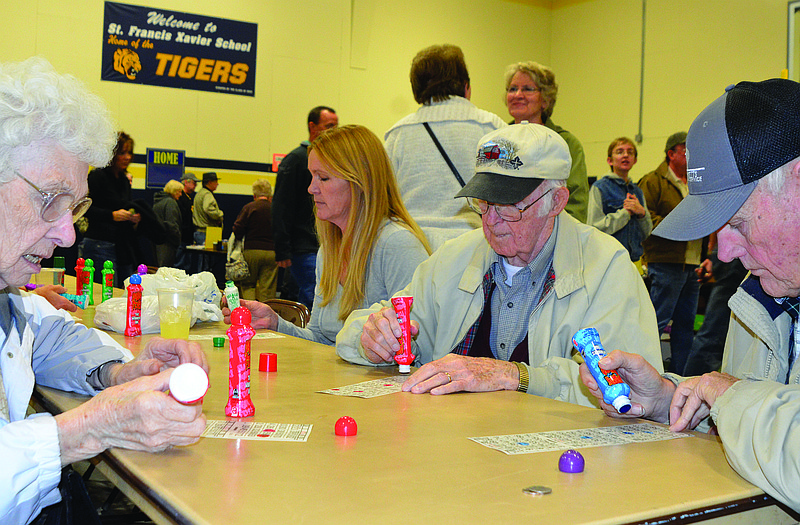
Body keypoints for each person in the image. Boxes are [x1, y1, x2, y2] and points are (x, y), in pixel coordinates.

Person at [0, 57, 208, 525]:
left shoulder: (6, 296)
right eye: (49, 199)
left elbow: (48, 332)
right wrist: (88, 427)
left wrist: (119, 372)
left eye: (73, 207)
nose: (67, 235)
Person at [579, 79, 800, 512]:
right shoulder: (763, 296)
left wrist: (728, 394)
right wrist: (667, 401)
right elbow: (762, 434)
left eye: (736, 223)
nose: (726, 252)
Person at [336, 124, 663, 406]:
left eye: (509, 206)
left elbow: (629, 391)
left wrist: (514, 376)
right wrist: (372, 339)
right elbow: (368, 325)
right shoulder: (455, 258)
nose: (491, 221)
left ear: (556, 202)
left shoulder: (606, 268)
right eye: (484, 203)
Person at [224, 125, 431, 346]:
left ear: (360, 183)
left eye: (323, 178)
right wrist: (275, 323)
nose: (311, 188)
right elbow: (321, 340)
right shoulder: (329, 250)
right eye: (312, 176)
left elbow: (416, 349)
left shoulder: (397, 245)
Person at [384, 44, 506, 250]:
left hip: (410, 246)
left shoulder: (397, 134)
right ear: (466, 86)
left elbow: (383, 199)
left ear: (416, 89)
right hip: (474, 247)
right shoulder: (492, 128)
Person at [638, 132, 710, 374]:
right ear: (671, 154)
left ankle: (680, 378)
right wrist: (681, 223)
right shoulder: (653, 181)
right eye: (685, 150)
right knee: (657, 322)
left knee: (685, 327)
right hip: (666, 262)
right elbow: (645, 220)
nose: (691, 155)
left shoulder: (695, 183)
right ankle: (642, 374)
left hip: (691, 264)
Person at [505, 61, 588, 223]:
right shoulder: (496, 140)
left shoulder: (567, 144)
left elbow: (576, 205)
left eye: (527, 89)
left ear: (546, 99)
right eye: (513, 89)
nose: (517, 95)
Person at [272, 106, 338, 309]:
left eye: (337, 125)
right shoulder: (296, 160)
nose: (335, 130)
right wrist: (282, 249)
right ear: (313, 126)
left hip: (325, 244)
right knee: (313, 299)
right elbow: (281, 205)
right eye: (329, 126)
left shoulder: (334, 159)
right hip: (304, 247)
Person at [78, 131, 142, 286]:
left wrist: (132, 218)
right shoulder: (97, 176)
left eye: (129, 153)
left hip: (121, 244)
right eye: (122, 153)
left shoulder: (124, 180)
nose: (127, 157)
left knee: (124, 291)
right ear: (112, 155)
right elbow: (85, 208)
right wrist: (111, 215)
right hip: (99, 243)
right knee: (105, 292)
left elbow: (125, 205)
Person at [587, 137, 652, 261]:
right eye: (620, 152)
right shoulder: (599, 188)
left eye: (630, 152)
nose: (626, 155)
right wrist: (625, 213)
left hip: (633, 261)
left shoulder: (637, 191)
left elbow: (646, 233)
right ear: (610, 160)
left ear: (635, 160)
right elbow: (594, 229)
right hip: (608, 260)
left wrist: (642, 214)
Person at [232, 179, 278, 301]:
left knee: (248, 285)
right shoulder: (275, 209)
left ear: (254, 195)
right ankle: (265, 314)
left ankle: (250, 313)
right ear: (270, 196)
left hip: (251, 251)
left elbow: (237, 229)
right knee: (267, 288)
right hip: (271, 252)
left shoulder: (249, 208)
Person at [192, 171, 223, 273]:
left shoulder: (199, 193)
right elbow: (208, 208)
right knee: (206, 264)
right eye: (216, 181)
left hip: (198, 232)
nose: (217, 184)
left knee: (201, 262)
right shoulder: (207, 194)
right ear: (209, 182)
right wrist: (219, 214)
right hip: (206, 233)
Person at [152, 179, 183, 267]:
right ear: (173, 191)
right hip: (167, 243)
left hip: (157, 241)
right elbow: (172, 225)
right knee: (165, 270)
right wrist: (177, 240)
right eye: (179, 192)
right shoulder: (170, 203)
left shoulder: (158, 201)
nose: (180, 195)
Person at [175, 172, 198, 271]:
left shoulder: (188, 198)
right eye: (194, 182)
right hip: (182, 236)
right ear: (186, 182)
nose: (195, 185)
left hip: (188, 236)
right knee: (180, 263)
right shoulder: (181, 198)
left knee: (186, 264)